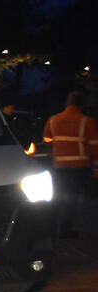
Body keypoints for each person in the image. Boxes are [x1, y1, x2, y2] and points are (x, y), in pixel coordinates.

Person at [43, 90, 98, 238]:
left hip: (59, 166)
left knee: (58, 196)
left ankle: (51, 227)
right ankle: (65, 229)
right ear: (83, 104)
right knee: (72, 198)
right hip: (80, 167)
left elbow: (47, 140)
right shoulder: (87, 122)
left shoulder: (53, 119)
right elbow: (94, 147)